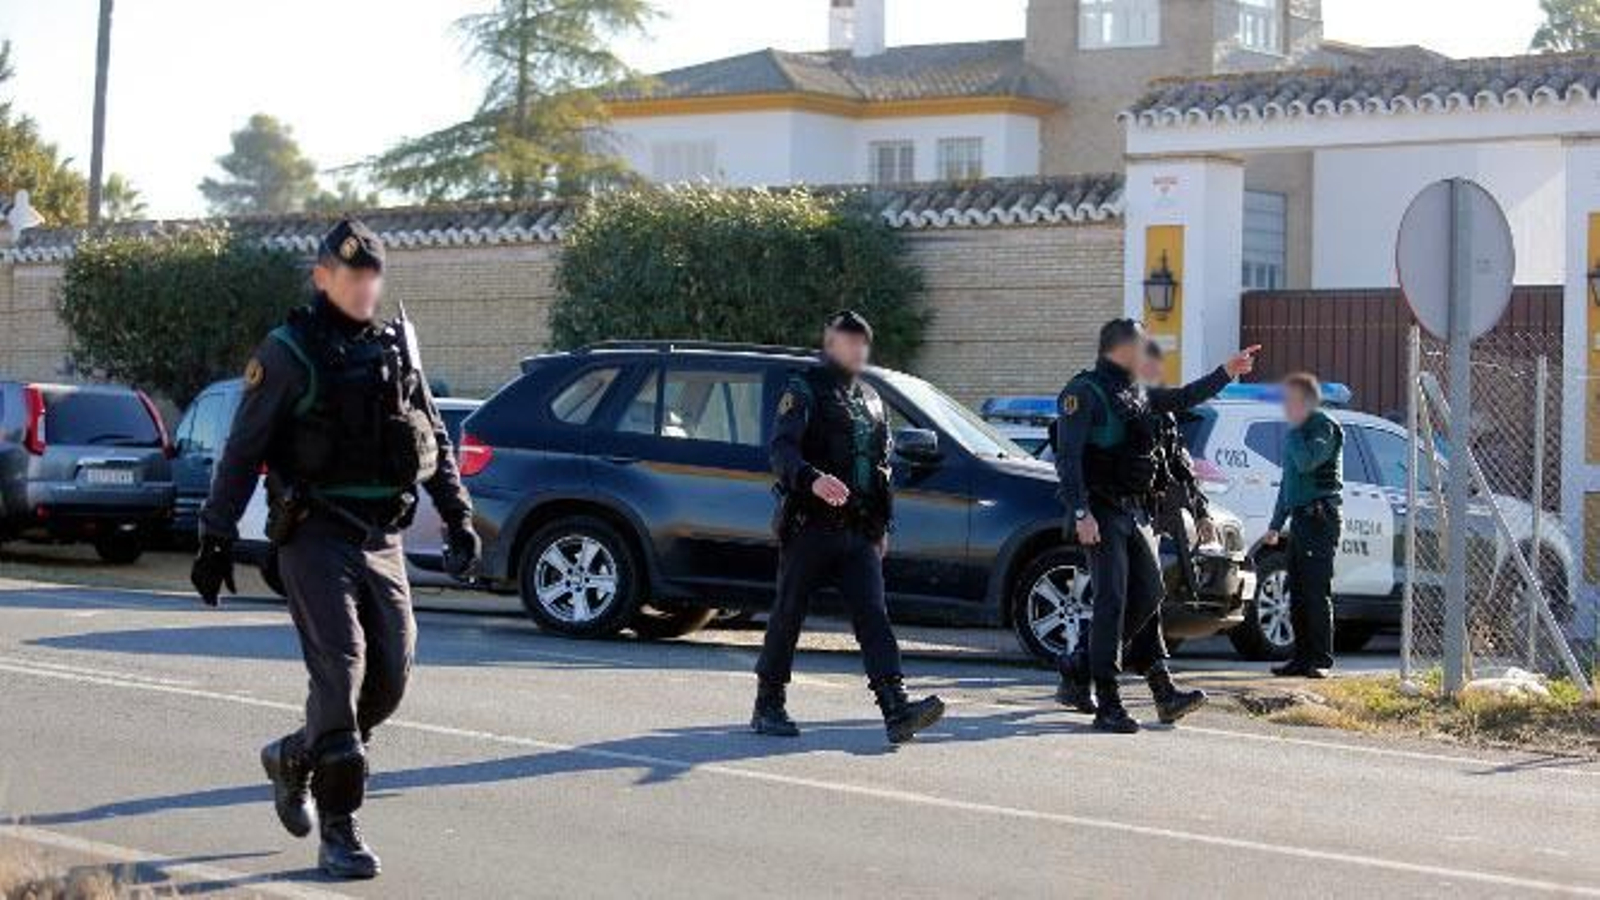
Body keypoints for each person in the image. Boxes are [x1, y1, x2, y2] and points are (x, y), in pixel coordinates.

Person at [190, 219, 481, 879]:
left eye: (371, 277)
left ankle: (295, 754)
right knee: (340, 670)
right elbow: (244, 449)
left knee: (390, 679)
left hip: (383, 538)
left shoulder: (395, 347)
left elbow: (430, 433)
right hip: (314, 535)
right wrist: (215, 535)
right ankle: (340, 830)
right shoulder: (290, 350)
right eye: (350, 276)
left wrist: (461, 519)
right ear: (325, 277)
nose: (363, 288)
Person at [1053, 319, 1258, 733]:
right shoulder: (1083, 392)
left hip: (1136, 511)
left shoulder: (1137, 392)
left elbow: (1182, 398)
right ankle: (1109, 701)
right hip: (1102, 510)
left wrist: (1227, 372)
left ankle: (1081, 667)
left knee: (1149, 594)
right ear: (1123, 348)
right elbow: (1068, 458)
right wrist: (1081, 513)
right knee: (1112, 599)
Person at [752, 310, 945, 745]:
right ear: (829, 343)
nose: (855, 349)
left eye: (862, 341)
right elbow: (781, 450)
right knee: (789, 612)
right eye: (847, 341)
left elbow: (881, 468)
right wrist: (812, 480)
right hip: (811, 527)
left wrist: (882, 526)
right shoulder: (805, 390)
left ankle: (896, 709)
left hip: (859, 532)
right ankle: (768, 703)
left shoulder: (871, 398)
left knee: (874, 615)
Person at [1263, 373, 1343, 679]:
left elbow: (1308, 462)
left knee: (1315, 591)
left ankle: (1320, 659)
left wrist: (1296, 432)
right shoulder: (1295, 432)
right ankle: (1301, 658)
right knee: (1296, 591)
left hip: (1320, 518)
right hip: (1300, 519)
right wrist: (1275, 525)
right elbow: (1289, 484)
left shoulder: (1322, 425)